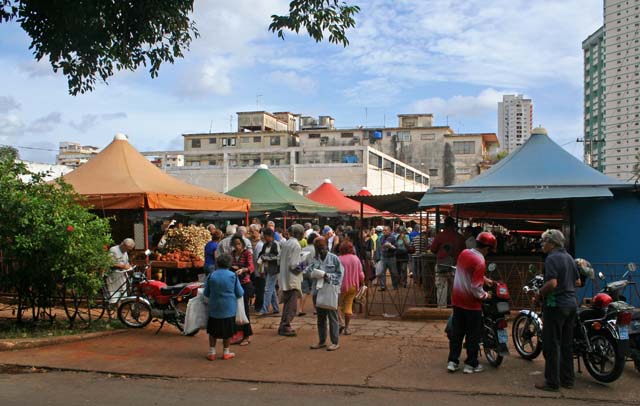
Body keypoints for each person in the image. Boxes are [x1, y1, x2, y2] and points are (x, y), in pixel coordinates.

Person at [534, 229, 580, 392]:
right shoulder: (569, 258)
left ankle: (552, 382)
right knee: (567, 344)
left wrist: (539, 294)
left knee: (552, 345)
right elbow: (578, 282)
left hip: (555, 306)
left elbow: (552, 283)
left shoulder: (552, 258)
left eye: (544, 241)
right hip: (571, 305)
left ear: (552, 243)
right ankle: (567, 380)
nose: (542, 245)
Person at [447, 232, 496, 374]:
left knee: (457, 333)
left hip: (457, 301)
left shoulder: (464, 253)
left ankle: (452, 361)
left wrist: (484, 278)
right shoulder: (480, 261)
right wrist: (486, 295)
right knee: (473, 335)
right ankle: (471, 364)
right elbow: (475, 288)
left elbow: (467, 271)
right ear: (487, 249)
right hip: (471, 305)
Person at [305, 237, 344, 351]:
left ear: (326, 246)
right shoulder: (313, 259)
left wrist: (328, 276)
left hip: (330, 290)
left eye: (323, 248)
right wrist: (312, 273)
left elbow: (340, 274)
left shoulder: (334, 258)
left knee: (333, 317)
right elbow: (304, 270)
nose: (322, 251)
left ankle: (335, 342)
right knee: (320, 318)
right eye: (319, 249)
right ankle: (322, 341)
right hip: (317, 291)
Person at [203, 253, 244, 361]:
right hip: (229, 309)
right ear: (229, 264)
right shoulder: (233, 276)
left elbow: (206, 293)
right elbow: (240, 292)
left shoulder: (211, 276)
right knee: (227, 332)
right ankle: (226, 352)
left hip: (214, 308)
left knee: (212, 331)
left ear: (218, 263)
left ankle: (212, 352)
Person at [430, 217, 465, 308]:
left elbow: (433, 249)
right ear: (454, 225)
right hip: (455, 265)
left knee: (441, 288)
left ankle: (442, 309)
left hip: (441, 265)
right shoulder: (460, 237)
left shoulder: (440, 236)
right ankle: (456, 308)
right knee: (456, 289)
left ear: (445, 225)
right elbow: (464, 251)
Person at [277, 224, 305, 337]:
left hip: (284, 276)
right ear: (300, 234)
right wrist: (305, 264)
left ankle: (283, 325)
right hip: (292, 278)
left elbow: (279, 260)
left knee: (288, 303)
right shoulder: (296, 245)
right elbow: (294, 265)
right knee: (291, 305)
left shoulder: (287, 243)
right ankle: (285, 326)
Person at [229, 235, 254, 346]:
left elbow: (251, 267)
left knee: (244, 310)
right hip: (235, 284)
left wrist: (242, 269)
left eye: (239, 244)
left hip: (245, 284)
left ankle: (247, 336)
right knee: (235, 310)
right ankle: (237, 334)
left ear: (242, 244)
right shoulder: (232, 254)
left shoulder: (247, 253)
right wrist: (233, 267)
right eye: (235, 244)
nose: (237, 246)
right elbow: (229, 264)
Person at [337, 241, 364, 336]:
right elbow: (361, 274)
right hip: (353, 286)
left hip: (340, 286)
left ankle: (340, 323)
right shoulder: (355, 259)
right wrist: (362, 282)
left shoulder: (338, 259)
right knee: (348, 306)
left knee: (337, 305)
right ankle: (347, 328)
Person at [258, 228, 280, 316]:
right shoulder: (265, 245)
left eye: (266, 236)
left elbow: (278, 257)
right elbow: (261, 254)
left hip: (273, 269)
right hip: (266, 268)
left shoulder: (276, 244)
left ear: (270, 236)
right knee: (271, 289)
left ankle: (264, 309)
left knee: (267, 289)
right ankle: (275, 308)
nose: (265, 238)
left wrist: (266, 257)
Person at [299, 232, 318, 317]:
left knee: (304, 291)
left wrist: (301, 271)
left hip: (304, 272)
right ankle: (315, 309)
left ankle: (300, 309)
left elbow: (301, 263)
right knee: (314, 291)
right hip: (314, 272)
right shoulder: (316, 250)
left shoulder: (304, 249)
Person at [377, 226, 398, 290]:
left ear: (389, 231)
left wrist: (390, 246)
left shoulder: (392, 237)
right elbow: (382, 245)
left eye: (385, 230)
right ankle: (383, 286)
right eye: (383, 230)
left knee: (393, 273)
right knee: (381, 272)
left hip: (391, 257)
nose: (384, 231)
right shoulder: (382, 237)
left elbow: (394, 246)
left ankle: (395, 286)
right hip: (383, 257)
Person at [249, 224, 264, 312]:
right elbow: (258, 259)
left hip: (256, 269)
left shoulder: (259, 244)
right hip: (257, 270)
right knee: (259, 289)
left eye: (252, 231)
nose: (251, 233)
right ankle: (259, 306)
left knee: (259, 288)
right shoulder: (260, 245)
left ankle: (258, 305)